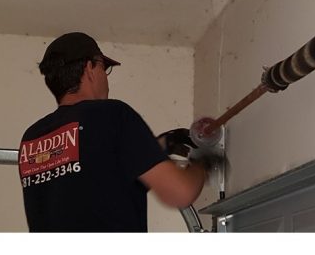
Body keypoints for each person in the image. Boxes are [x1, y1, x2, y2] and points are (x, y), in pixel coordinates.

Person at [18, 32, 207, 232]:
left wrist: (160, 145)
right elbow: (180, 193)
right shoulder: (112, 114)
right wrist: (203, 164)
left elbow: (97, 183)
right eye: (103, 67)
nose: (105, 78)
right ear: (90, 67)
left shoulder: (32, 137)